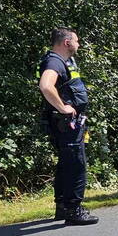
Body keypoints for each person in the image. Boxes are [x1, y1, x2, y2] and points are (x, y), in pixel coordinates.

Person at [37, 27, 98, 225]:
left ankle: (63, 206)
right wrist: (63, 107)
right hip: (66, 123)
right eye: (77, 41)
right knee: (76, 164)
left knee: (66, 164)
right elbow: (46, 85)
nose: (78, 45)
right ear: (66, 43)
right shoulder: (54, 61)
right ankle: (74, 209)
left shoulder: (63, 61)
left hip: (67, 123)